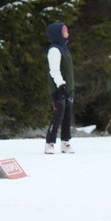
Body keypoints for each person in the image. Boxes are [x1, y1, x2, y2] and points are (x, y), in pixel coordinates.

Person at [44, 22, 75, 154]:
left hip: (69, 88)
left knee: (67, 114)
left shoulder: (64, 49)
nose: (67, 34)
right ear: (58, 34)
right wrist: (60, 85)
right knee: (59, 114)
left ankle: (65, 142)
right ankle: (50, 143)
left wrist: (69, 87)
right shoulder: (54, 50)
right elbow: (54, 70)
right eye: (64, 32)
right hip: (59, 88)